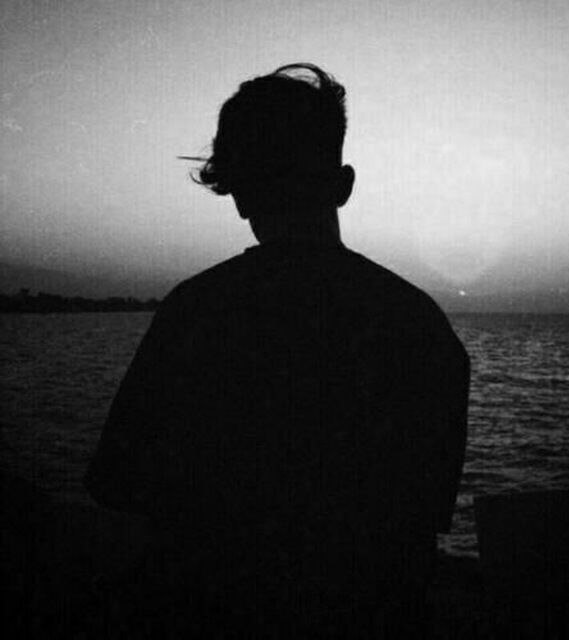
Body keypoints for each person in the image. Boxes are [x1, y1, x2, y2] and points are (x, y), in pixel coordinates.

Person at [85, 63, 469, 636]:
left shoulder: (194, 313)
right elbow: (424, 516)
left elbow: (113, 481)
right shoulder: (421, 326)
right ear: (343, 185)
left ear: (239, 195)